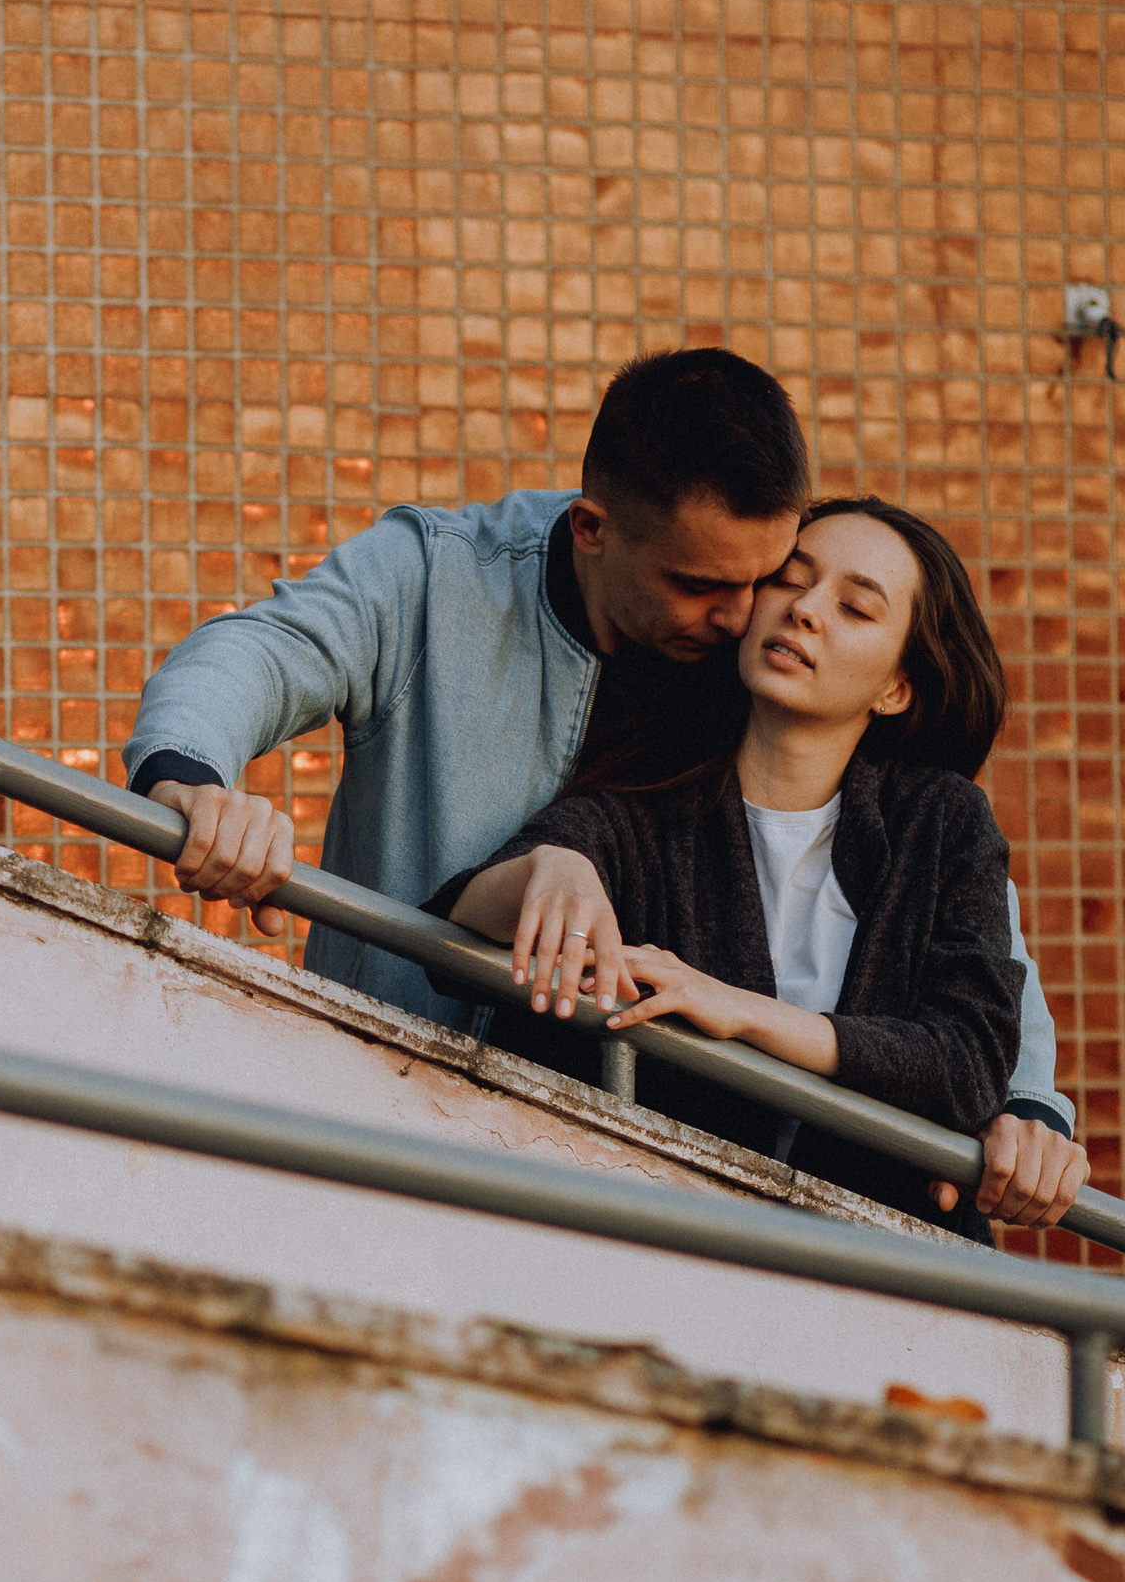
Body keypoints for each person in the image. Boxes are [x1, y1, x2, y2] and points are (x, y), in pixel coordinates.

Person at [122, 350, 1084, 1226]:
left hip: (630, 1185)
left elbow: (971, 930)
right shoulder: (437, 576)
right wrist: (196, 781)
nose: (754, 613)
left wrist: (1030, 1102)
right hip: (390, 1102)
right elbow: (264, 650)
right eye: (707, 584)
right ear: (593, 530)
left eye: (769, 575)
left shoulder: (761, 655)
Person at [419, 499, 1090, 1236]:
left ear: (897, 687)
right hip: (669, 1253)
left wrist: (743, 1013)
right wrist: (550, 868)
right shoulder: (649, 801)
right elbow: (462, 921)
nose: (805, 610)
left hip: (891, 1285)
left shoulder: (942, 822)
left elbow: (966, 1065)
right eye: (789, 581)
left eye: (855, 608)